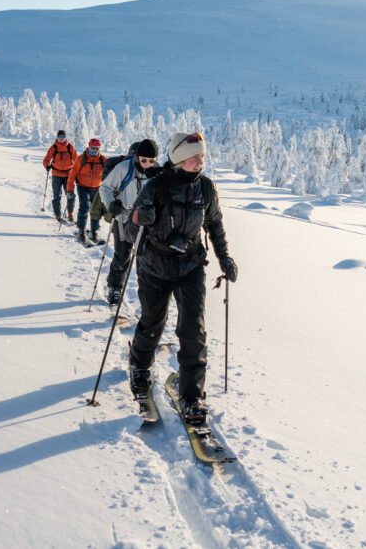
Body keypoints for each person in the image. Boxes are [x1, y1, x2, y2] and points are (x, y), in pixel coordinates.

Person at [128, 131, 238, 424]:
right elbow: (132, 225)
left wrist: (224, 257)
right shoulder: (156, 186)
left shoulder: (206, 188)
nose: (200, 162)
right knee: (153, 321)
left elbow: (214, 224)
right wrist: (142, 215)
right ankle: (140, 366)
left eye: (202, 156)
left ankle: (192, 397)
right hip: (154, 266)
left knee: (193, 331)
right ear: (178, 158)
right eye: (193, 157)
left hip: (189, 267)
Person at [99, 139, 162, 306]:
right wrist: (111, 203)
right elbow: (104, 188)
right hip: (123, 218)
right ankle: (114, 288)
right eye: (144, 160)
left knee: (145, 260)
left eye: (152, 160)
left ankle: (146, 296)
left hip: (146, 222)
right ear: (137, 157)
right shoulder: (124, 169)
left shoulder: (157, 173)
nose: (148, 164)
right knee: (122, 256)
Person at [66, 137, 108, 244]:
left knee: (96, 210)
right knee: (84, 207)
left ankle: (94, 232)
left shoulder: (103, 160)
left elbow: (109, 175)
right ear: (88, 147)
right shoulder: (81, 159)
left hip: (97, 188)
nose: (94, 150)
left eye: (96, 148)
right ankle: (81, 231)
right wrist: (70, 190)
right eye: (92, 148)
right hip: (82, 186)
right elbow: (72, 174)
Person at [43, 130, 77, 222]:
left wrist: (76, 170)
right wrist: (47, 166)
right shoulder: (53, 148)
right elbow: (46, 159)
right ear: (57, 138)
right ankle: (58, 214)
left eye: (63, 138)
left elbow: (77, 160)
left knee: (70, 195)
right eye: (60, 138)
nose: (61, 139)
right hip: (56, 175)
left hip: (68, 175)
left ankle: (70, 213)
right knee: (57, 195)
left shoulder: (70, 147)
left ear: (65, 138)